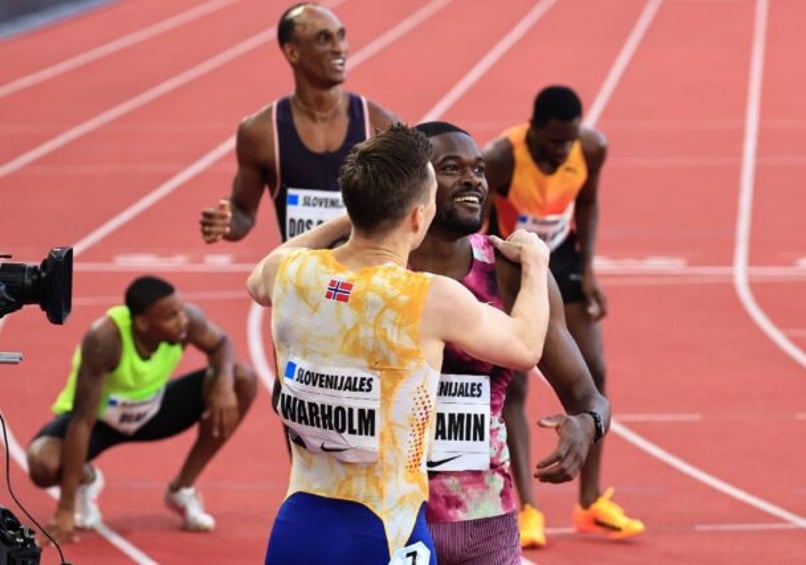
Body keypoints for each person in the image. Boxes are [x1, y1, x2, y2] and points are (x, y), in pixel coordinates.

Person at [280, 122, 611, 564]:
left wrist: (587, 425)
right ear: (418, 189)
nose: (473, 178)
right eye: (452, 168)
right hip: (379, 517)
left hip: (481, 521)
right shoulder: (360, 274)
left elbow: (588, 396)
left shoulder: (515, 276)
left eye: (478, 169)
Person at [483, 85, 644, 545]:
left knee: (593, 371)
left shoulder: (592, 147)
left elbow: (588, 203)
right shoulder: (501, 157)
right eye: (553, 142)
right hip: (510, 263)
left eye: (567, 142)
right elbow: (473, 219)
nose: (560, 152)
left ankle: (590, 501)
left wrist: (589, 269)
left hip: (561, 257)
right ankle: (526, 507)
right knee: (513, 382)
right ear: (532, 131)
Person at [26, 276, 258, 544]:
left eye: (181, 310)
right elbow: (82, 421)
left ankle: (182, 489)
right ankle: (84, 479)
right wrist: (65, 510)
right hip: (100, 420)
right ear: (143, 323)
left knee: (243, 379)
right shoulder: (104, 340)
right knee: (42, 464)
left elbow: (221, 344)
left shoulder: (187, 324)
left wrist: (224, 384)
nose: (183, 320)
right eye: (171, 316)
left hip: (152, 409)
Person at [199, 2, 397, 244]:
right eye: (324, 39)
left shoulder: (378, 124)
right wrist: (227, 221)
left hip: (362, 279)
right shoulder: (262, 132)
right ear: (292, 52)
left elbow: (407, 208)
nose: (340, 48)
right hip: (297, 278)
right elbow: (243, 211)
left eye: (341, 36)